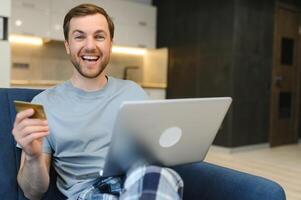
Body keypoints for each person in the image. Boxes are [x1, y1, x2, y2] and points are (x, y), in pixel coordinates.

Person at [12, 4, 183, 200]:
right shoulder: (43, 104)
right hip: (88, 193)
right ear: (67, 45)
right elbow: (32, 192)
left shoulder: (133, 92)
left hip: (138, 180)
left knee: (160, 175)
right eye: (79, 36)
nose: (90, 45)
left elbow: (156, 152)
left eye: (99, 36)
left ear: (110, 43)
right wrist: (33, 157)